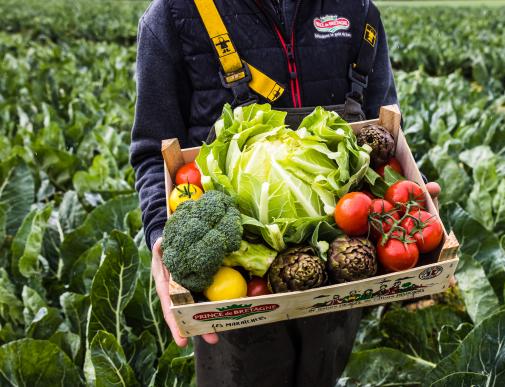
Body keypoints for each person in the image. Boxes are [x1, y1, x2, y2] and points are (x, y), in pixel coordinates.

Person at [130, 1, 440, 386]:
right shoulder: (175, 16)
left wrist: (407, 195)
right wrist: (163, 232)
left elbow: (384, 132)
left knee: (324, 371)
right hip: (236, 283)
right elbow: (152, 150)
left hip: (339, 267)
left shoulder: (358, 10)